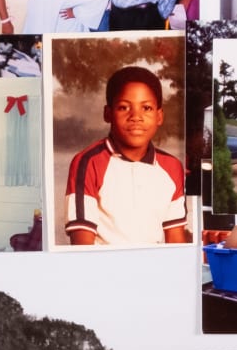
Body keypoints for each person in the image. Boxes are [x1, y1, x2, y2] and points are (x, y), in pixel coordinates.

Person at [64, 66, 190, 247]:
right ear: (108, 113)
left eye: (146, 108)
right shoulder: (88, 162)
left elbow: (176, 240)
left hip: (153, 269)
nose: (136, 117)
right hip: (104, 271)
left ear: (159, 116)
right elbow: (82, 245)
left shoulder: (172, 167)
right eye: (124, 107)